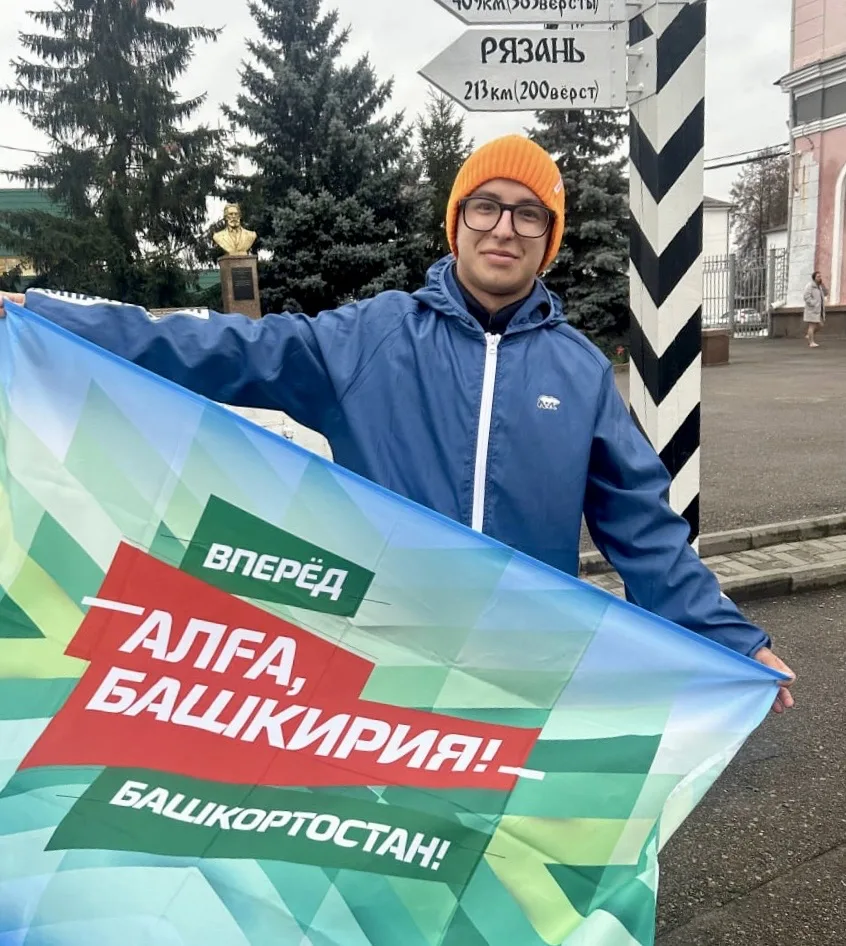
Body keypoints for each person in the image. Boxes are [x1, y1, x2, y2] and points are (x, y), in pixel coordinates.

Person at [0, 135, 794, 712]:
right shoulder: (373, 335)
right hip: (381, 660)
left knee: (497, 855)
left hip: (522, 671)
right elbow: (219, 348)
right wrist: (46, 319)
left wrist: (730, 639)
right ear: (457, 222)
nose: (505, 228)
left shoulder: (578, 370)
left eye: (529, 214)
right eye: (486, 206)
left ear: (548, 241)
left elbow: (644, 529)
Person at [803, 271, 827, 348]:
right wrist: (814, 303)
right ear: (814, 278)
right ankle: (811, 342)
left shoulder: (819, 286)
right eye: (818, 276)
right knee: (812, 326)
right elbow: (806, 297)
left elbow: (826, 294)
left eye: (820, 276)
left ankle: (809, 335)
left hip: (819, 310)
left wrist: (823, 287)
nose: (820, 278)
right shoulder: (809, 286)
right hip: (812, 309)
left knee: (821, 325)